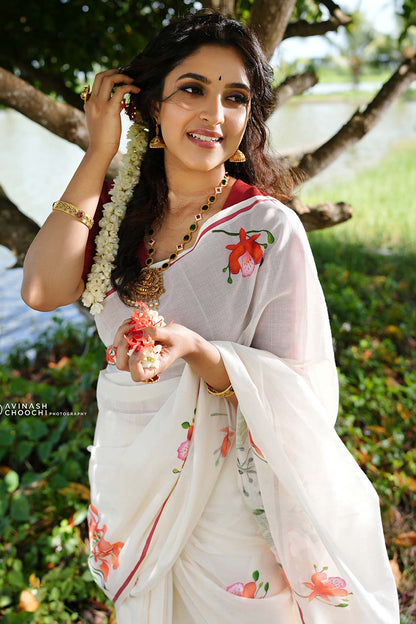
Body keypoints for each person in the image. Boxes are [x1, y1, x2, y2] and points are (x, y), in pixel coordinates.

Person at [21, 12, 400, 624]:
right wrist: (99, 153)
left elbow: (304, 397)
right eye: (192, 89)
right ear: (150, 106)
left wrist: (202, 353)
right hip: (138, 486)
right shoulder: (120, 219)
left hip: (235, 514)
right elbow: (41, 289)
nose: (214, 114)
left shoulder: (268, 230)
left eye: (236, 97)